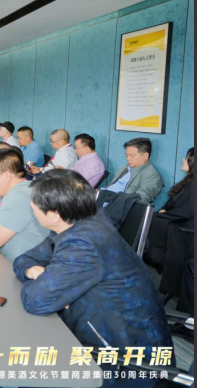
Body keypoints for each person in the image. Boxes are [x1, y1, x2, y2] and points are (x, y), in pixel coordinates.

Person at [13, 170, 172, 376]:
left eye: (34, 203)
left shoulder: (84, 242)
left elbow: (36, 300)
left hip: (124, 360)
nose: (32, 206)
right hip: (95, 331)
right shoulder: (78, 220)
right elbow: (24, 259)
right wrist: (35, 272)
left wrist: (52, 287)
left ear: (54, 214)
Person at [145, 147, 193, 311]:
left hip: (186, 230)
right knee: (149, 221)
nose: (183, 160)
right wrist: (165, 210)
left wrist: (165, 215)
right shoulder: (189, 181)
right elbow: (172, 202)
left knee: (148, 224)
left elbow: (186, 211)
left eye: (187, 158)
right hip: (179, 223)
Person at [105, 137, 163, 204]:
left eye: (132, 156)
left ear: (145, 156)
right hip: (104, 199)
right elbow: (111, 185)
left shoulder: (152, 176)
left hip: (116, 205)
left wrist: (111, 198)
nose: (128, 159)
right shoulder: (125, 168)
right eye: (126, 155)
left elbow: (140, 199)